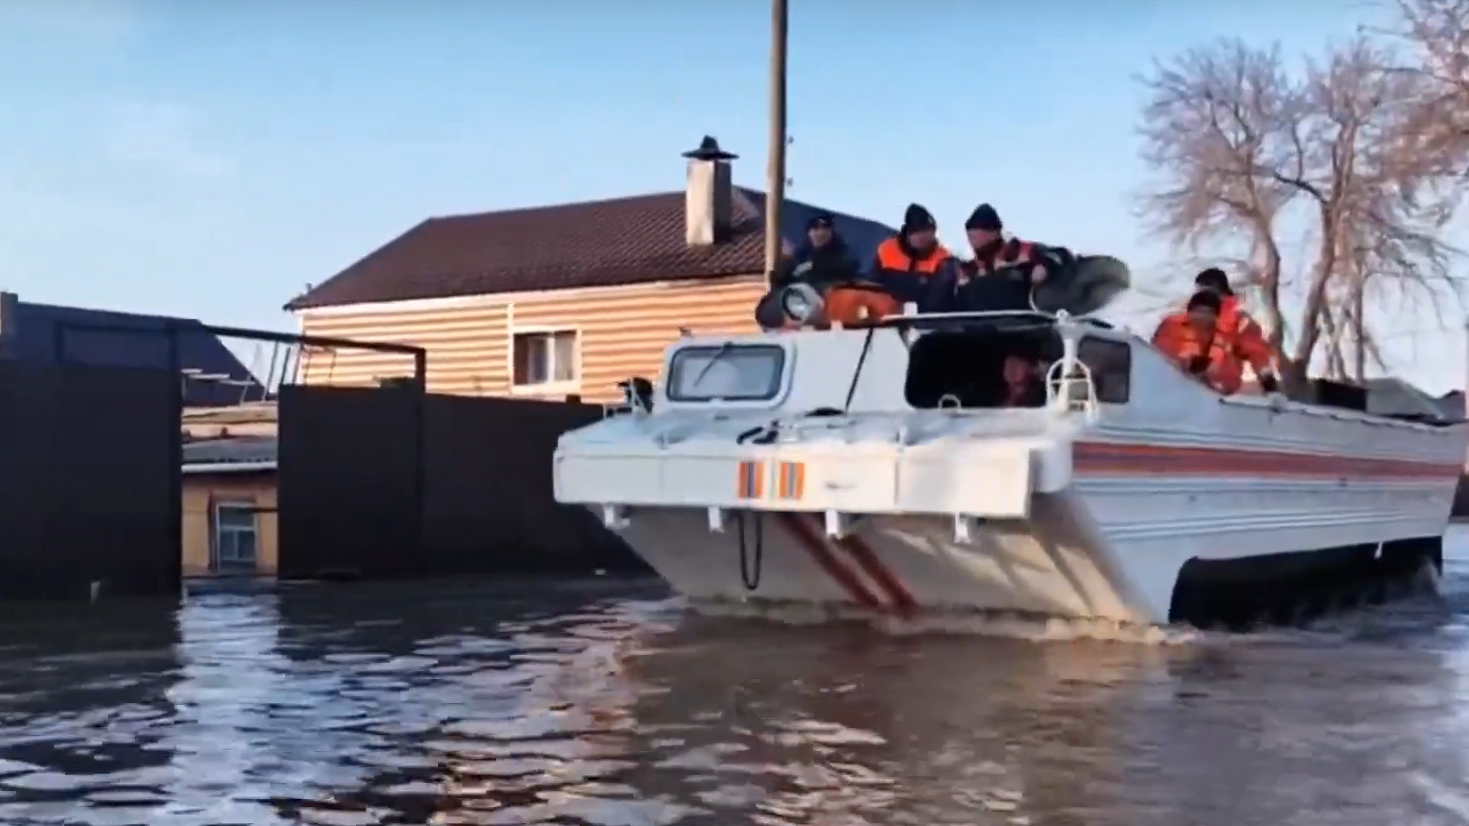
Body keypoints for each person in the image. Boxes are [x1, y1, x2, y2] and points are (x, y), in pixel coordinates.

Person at [953, 203, 1070, 312]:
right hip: (982, 327)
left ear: (994, 233)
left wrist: (1045, 265)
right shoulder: (968, 270)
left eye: (976, 236)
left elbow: (1062, 255)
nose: (971, 242)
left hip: (1023, 323)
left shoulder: (1023, 252)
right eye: (970, 237)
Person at [1190, 267, 1280, 393]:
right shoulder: (1191, 316)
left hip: (1218, 388)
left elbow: (1256, 351)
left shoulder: (1238, 319)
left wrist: (1267, 381)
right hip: (1187, 383)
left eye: (1203, 290)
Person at [1151, 290, 1244, 395]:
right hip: (1168, 390)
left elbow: (1232, 382)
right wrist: (1184, 364)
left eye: (1208, 313)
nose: (1202, 318)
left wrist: (1213, 374)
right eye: (1198, 312)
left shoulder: (1224, 338)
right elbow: (1155, 360)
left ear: (1216, 316)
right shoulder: (1171, 327)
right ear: (1189, 312)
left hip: (1205, 396)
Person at [871, 204, 960, 311]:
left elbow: (941, 297)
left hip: (927, 320)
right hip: (888, 317)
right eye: (916, 232)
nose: (923, 237)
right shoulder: (887, 250)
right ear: (908, 233)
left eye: (927, 231)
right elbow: (874, 287)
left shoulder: (944, 258)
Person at [772, 213, 860, 288]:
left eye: (825, 228)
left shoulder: (843, 254)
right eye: (815, 228)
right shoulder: (800, 255)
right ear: (808, 232)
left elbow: (851, 265)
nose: (821, 233)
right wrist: (787, 260)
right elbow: (781, 281)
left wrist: (813, 264)